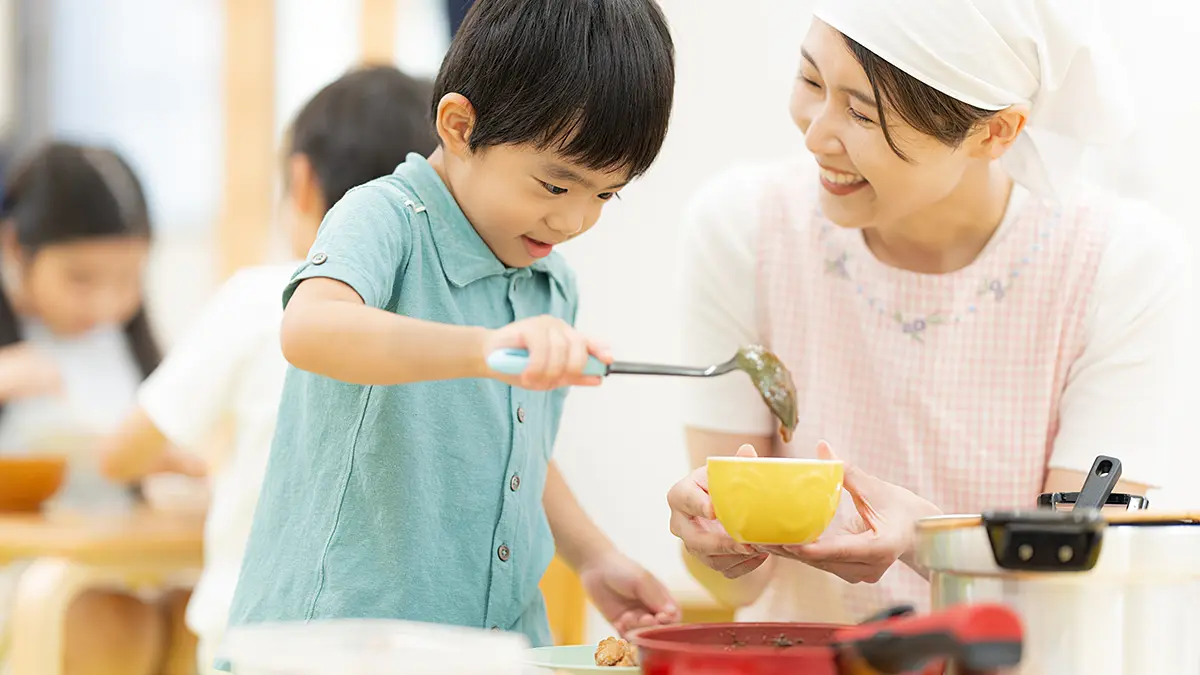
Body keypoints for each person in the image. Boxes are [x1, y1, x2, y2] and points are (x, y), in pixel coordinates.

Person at [667, 0, 1193, 625]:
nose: (814, 135)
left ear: (996, 132)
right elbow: (739, 589)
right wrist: (710, 539)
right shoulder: (745, 229)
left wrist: (926, 539)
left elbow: (1074, 593)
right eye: (811, 80)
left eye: (862, 113)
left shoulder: (1116, 265)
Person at [218, 0, 679, 667]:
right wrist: (481, 349)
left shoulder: (551, 282)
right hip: (340, 645)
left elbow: (517, 448)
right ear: (460, 126)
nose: (575, 220)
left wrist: (594, 556)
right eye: (556, 185)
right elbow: (310, 328)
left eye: (605, 194)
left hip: (491, 646)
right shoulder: (385, 218)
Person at [97, 64, 439, 674]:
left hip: (257, 636)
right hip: (410, 642)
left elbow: (119, 454)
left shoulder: (262, 298)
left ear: (302, 182)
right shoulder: (443, 326)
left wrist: (182, 465)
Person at [0, 142, 192, 675]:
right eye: (80, 279)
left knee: (193, 614)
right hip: (29, 570)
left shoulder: (128, 344)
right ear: (15, 247)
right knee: (110, 622)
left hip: (121, 557)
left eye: (127, 280)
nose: (105, 303)